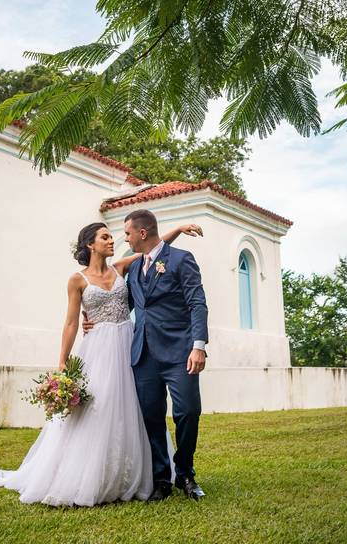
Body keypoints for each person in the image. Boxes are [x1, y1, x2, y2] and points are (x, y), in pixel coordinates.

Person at [0, 221, 202, 506]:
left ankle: (147, 473)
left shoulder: (121, 267)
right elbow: (72, 322)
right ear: (90, 243)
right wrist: (62, 361)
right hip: (98, 347)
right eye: (106, 237)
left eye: (114, 236)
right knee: (99, 409)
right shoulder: (77, 280)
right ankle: (93, 474)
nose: (112, 241)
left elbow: (155, 248)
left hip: (129, 344)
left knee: (136, 409)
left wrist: (180, 228)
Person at [108, 209, 209, 501]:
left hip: (181, 352)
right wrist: (96, 319)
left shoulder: (181, 259)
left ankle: (186, 473)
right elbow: (126, 304)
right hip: (144, 355)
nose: (125, 239)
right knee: (151, 417)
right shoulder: (136, 267)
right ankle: (162, 479)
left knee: (188, 412)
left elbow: (197, 303)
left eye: (127, 233)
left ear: (142, 233)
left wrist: (198, 345)